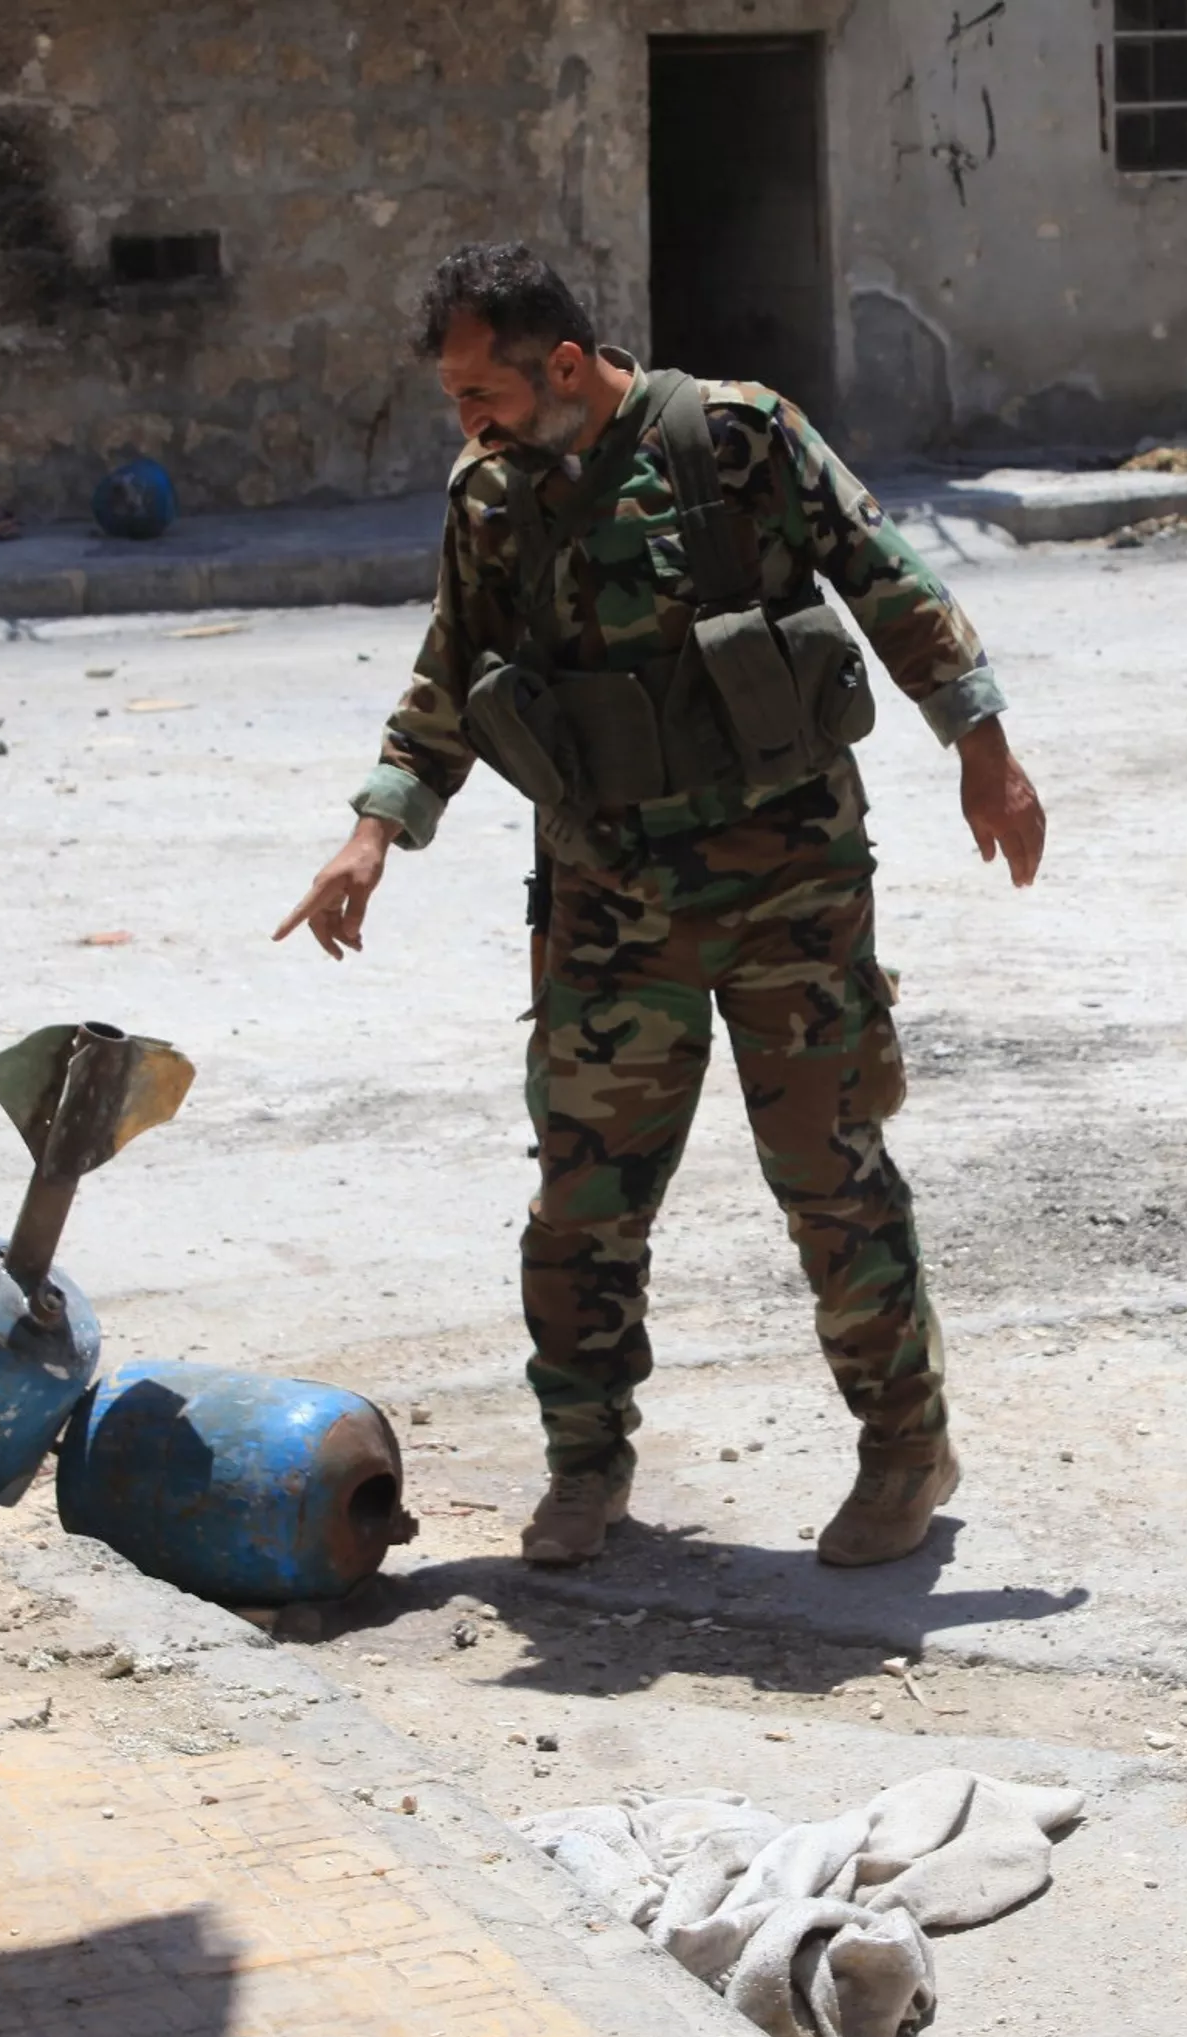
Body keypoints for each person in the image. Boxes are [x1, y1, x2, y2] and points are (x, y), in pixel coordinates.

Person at [276, 242, 1045, 1570]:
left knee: (831, 1178)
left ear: (567, 364)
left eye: (483, 391)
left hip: (791, 888)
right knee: (583, 1201)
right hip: (609, 900)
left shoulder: (738, 438)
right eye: (458, 397)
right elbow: (452, 667)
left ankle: (904, 1450)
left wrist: (983, 745)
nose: (469, 419)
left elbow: (886, 578)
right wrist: (374, 830)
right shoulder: (490, 494)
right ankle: (586, 1465)